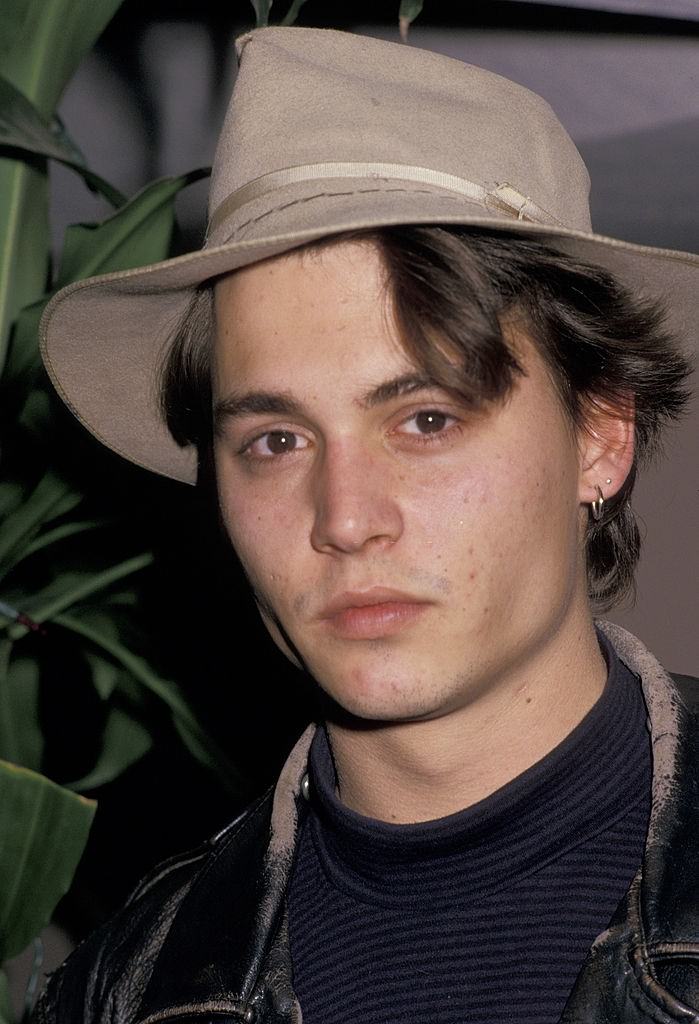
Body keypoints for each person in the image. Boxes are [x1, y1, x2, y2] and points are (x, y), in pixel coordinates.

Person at [35, 24, 698, 1024]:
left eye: (425, 420)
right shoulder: (133, 988)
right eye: (275, 441)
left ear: (601, 435)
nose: (344, 518)